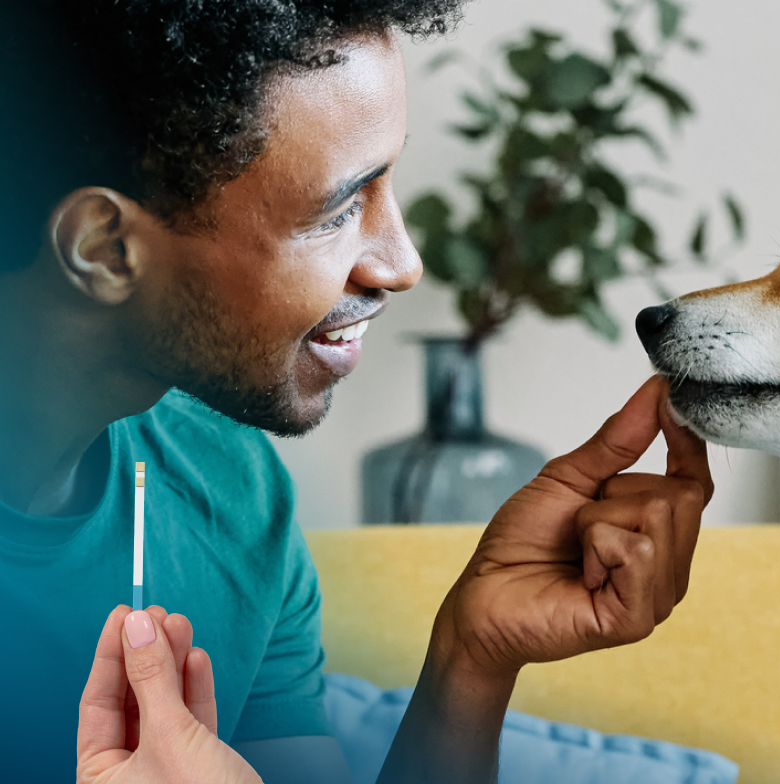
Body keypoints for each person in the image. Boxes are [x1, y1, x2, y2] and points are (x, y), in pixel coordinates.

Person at [0, 1, 713, 782]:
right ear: (105, 250)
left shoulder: (231, 488)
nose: (401, 263)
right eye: (338, 210)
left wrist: (471, 655)